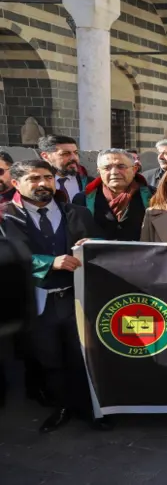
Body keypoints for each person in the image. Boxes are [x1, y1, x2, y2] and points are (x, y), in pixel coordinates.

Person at [1, 160, 108, 433]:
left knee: (83, 356)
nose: (42, 184)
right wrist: (49, 262)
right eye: (34, 178)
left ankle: (91, 409)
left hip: (77, 298)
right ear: (16, 183)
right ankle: (62, 407)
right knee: (50, 358)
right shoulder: (4, 216)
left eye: (47, 177)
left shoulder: (78, 212)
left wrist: (92, 246)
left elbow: (101, 249)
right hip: (37, 300)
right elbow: (9, 256)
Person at [72, 149, 152, 242]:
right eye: (107, 168)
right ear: (99, 171)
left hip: (143, 254)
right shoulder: (83, 199)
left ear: (134, 170)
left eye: (121, 166)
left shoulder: (152, 195)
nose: (114, 172)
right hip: (99, 255)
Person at [37, 135, 89, 202]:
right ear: (46, 156)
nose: (74, 158)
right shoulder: (37, 185)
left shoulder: (88, 181)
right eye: (65, 154)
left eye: (75, 153)